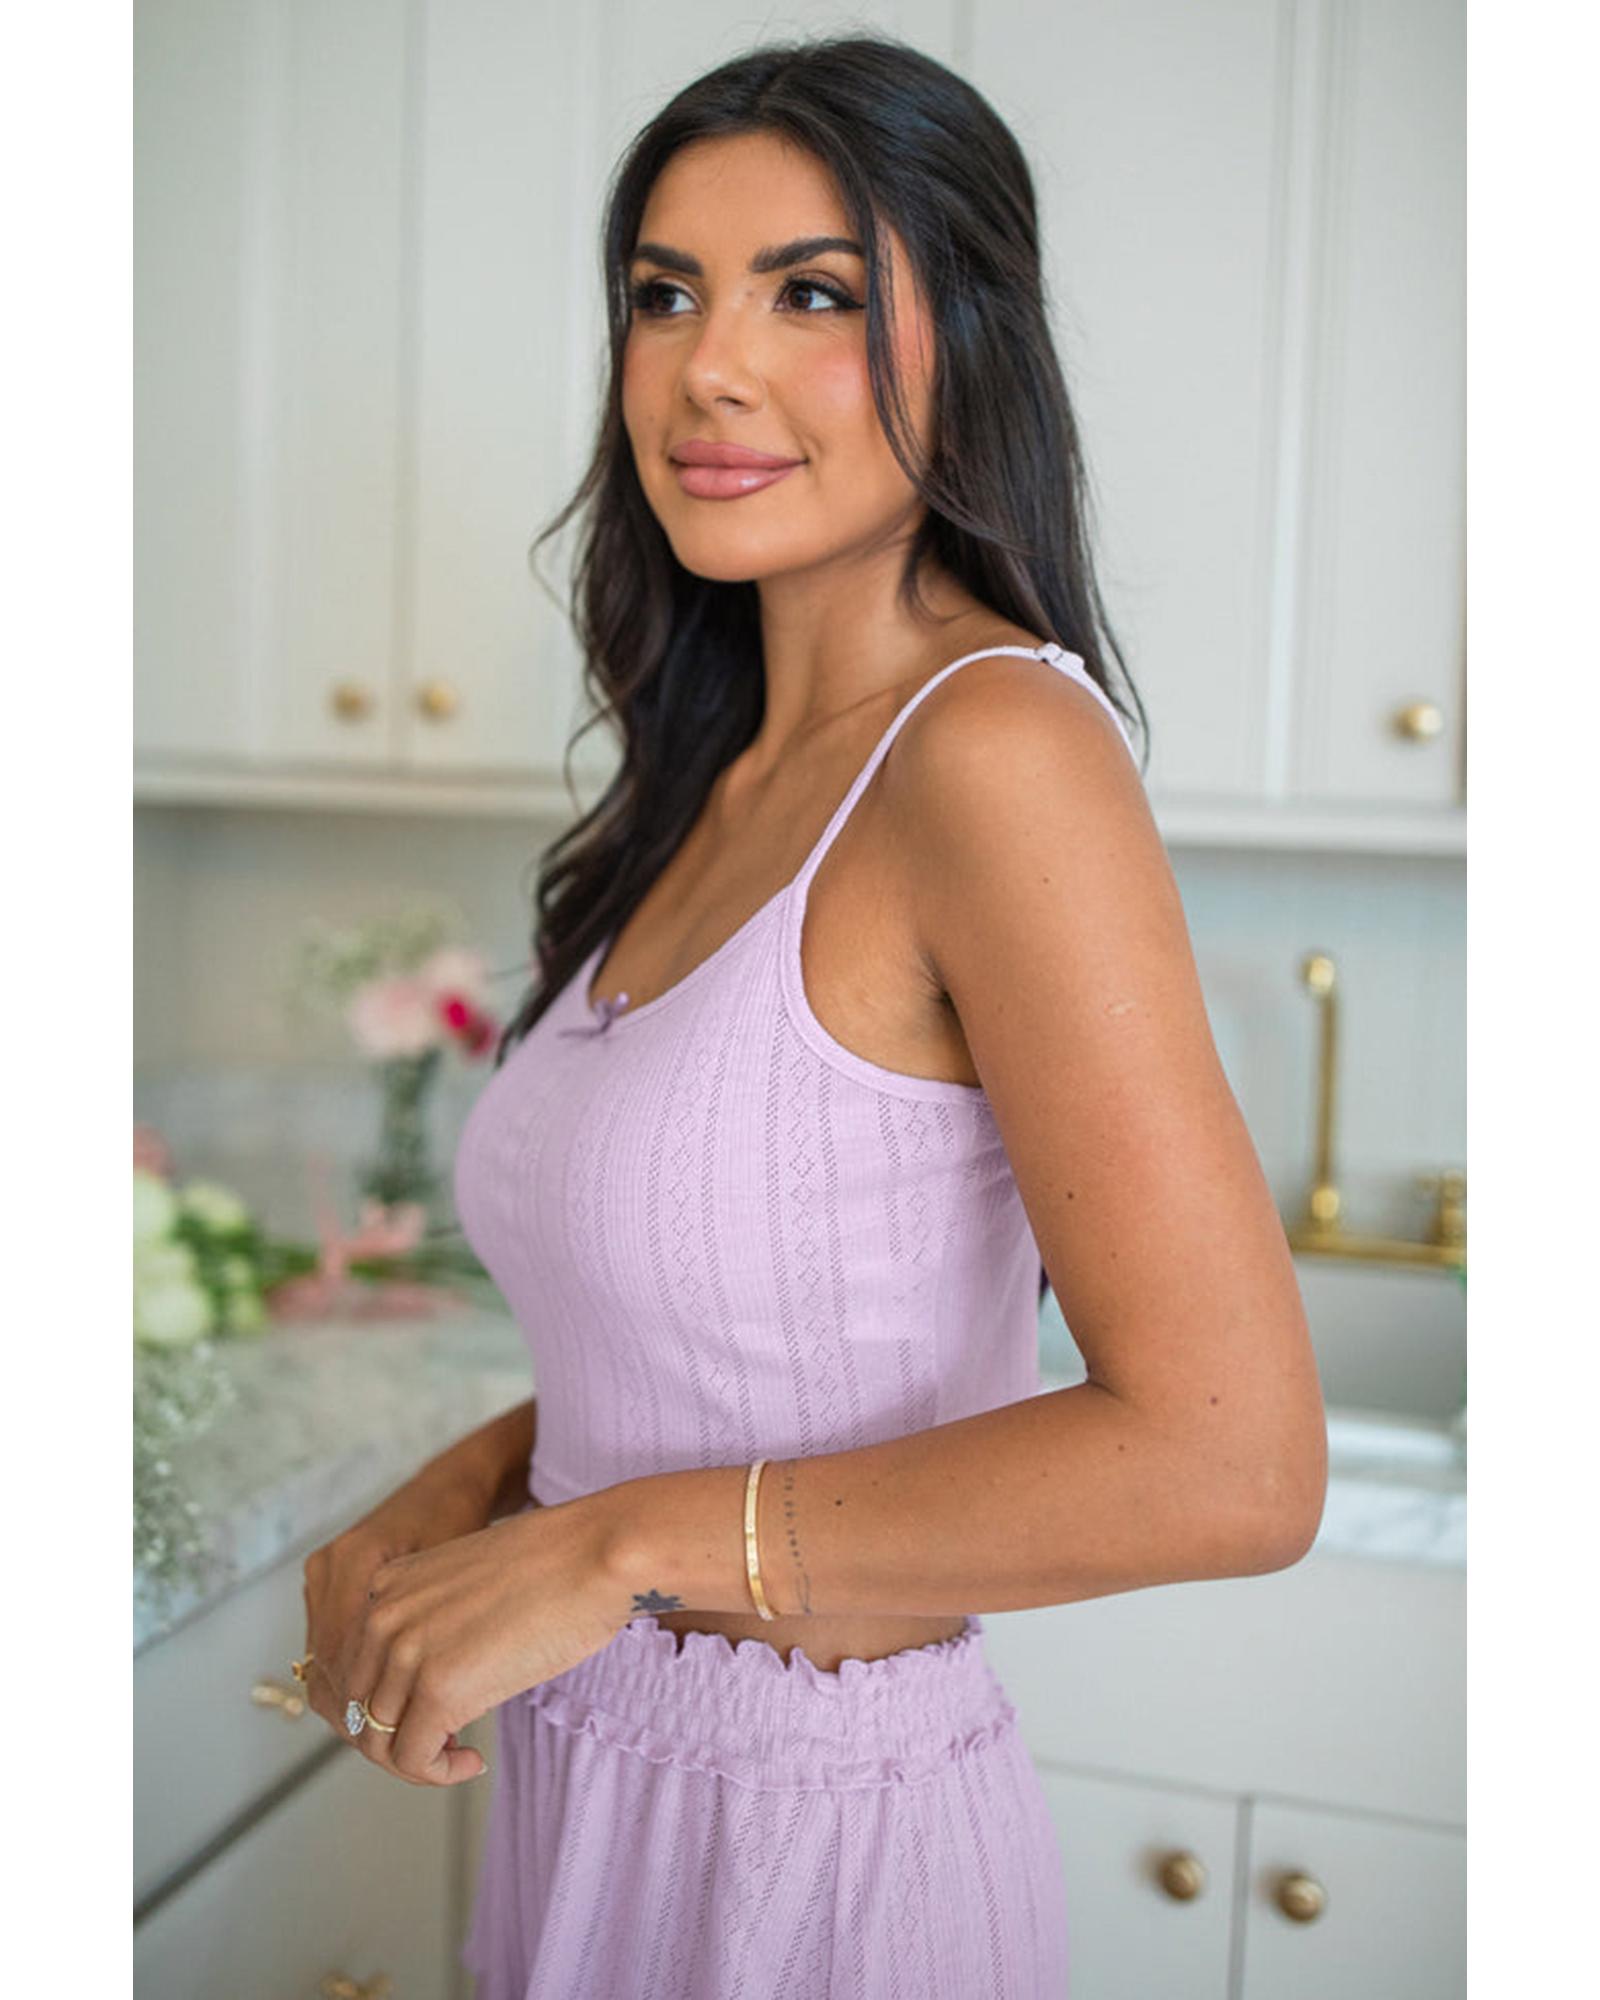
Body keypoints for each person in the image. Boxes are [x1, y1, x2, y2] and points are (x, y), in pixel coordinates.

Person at [299, 32, 1327, 1996]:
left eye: (814, 294)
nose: (707, 368)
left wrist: (602, 1550)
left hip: (818, 1861)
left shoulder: (993, 754)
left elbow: (1230, 1461)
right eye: (662, 292)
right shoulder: (718, 777)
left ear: (975, 344)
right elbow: (708, 1353)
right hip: (587, 1789)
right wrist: (461, 1499)